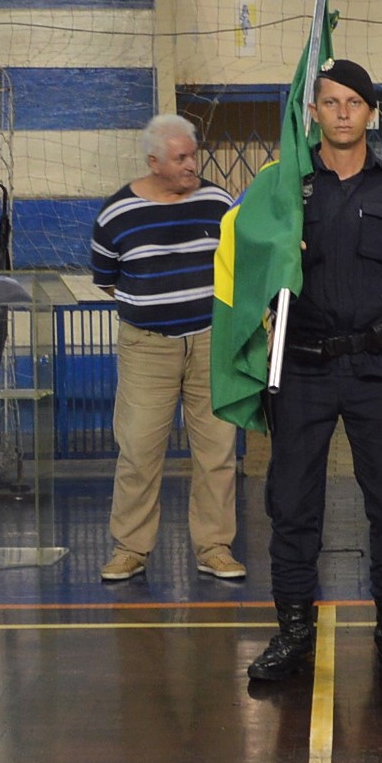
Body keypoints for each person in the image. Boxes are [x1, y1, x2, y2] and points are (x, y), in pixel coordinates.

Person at [242, 59, 382, 687]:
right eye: (328, 101)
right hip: (302, 369)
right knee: (292, 506)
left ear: (371, 113)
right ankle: (293, 634)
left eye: (352, 102)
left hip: (379, 369)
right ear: (313, 112)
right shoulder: (282, 189)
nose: (340, 112)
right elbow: (244, 274)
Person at [91, 115, 243, 586]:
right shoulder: (116, 214)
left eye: (193, 155)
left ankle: (215, 547)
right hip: (147, 347)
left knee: (217, 450)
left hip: (211, 341)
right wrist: (155, 311)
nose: (191, 165)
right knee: (138, 449)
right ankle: (130, 550)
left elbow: (241, 261)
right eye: (180, 158)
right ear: (153, 162)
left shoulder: (218, 202)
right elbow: (107, 280)